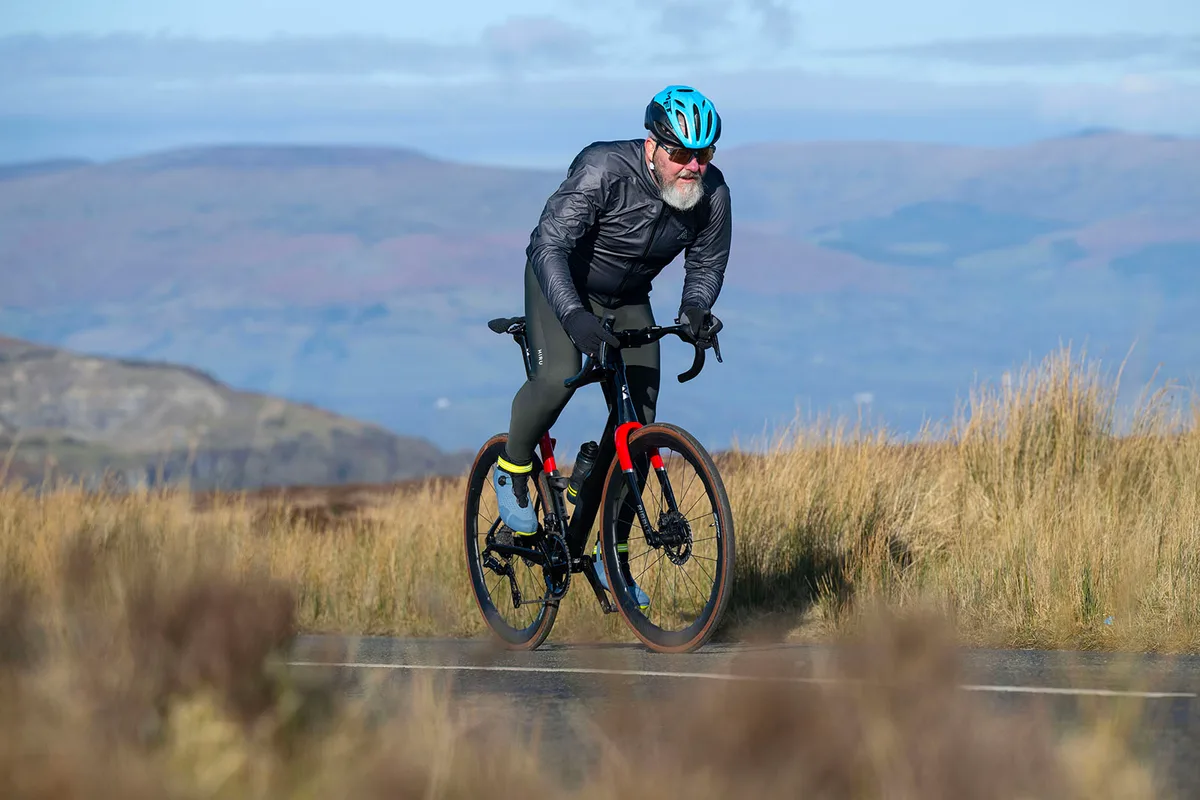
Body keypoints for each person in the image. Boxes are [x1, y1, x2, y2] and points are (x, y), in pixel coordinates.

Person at [492, 85, 732, 605]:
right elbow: (547, 244)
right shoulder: (604, 170)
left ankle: (609, 551)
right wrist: (573, 315)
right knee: (559, 375)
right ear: (652, 146)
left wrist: (695, 310)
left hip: (627, 298)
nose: (693, 165)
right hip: (561, 285)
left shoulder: (712, 194)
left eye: (704, 154)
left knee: (639, 423)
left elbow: (706, 264)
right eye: (680, 153)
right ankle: (511, 470)